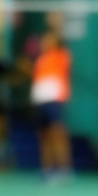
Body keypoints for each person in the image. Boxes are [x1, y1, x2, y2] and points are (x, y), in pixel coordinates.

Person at [31, 28, 72, 179]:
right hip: (40, 101)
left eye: (49, 39)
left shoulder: (61, 55)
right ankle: (47, 169)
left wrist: (56, 23)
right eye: (44, 39)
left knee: (57, 134)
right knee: (44, 136)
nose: (45, 42)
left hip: (54, 100)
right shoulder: (41, 59)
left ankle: (64, 170)